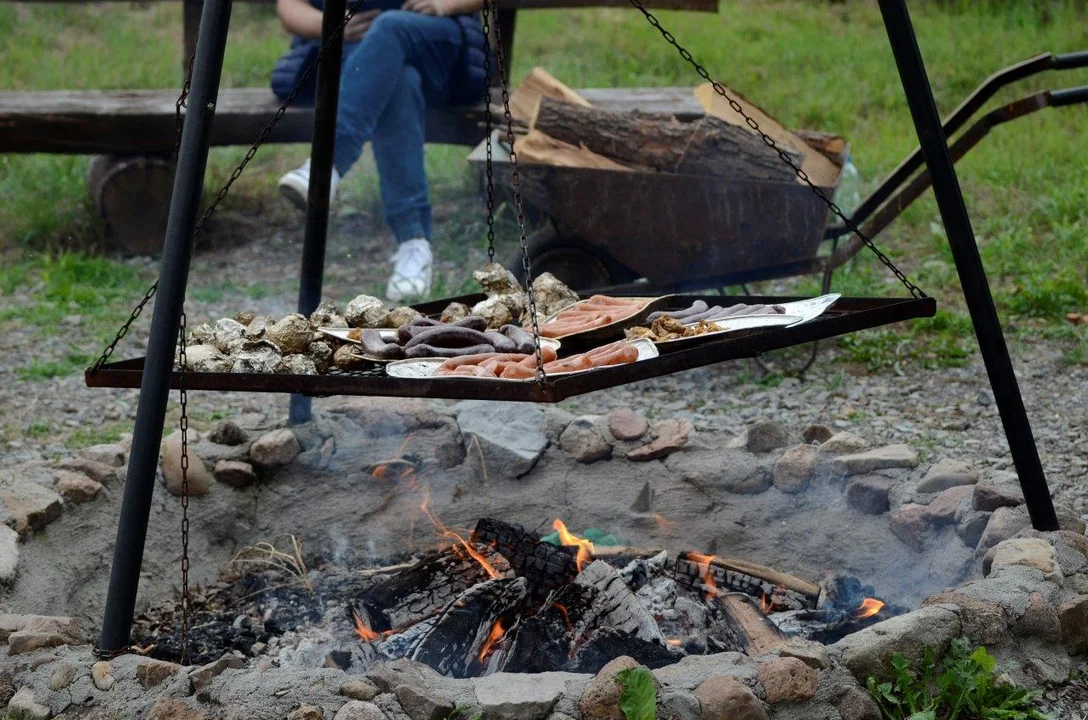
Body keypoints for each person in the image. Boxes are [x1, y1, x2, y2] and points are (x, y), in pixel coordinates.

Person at [271, 0, 489, 301]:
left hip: (435, 48)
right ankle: (414, 243)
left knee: (389, 26)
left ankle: (326, 166)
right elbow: (290, 7)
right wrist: (334, 25)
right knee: (400, 81)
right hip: (356, 58)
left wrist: (445, 3)